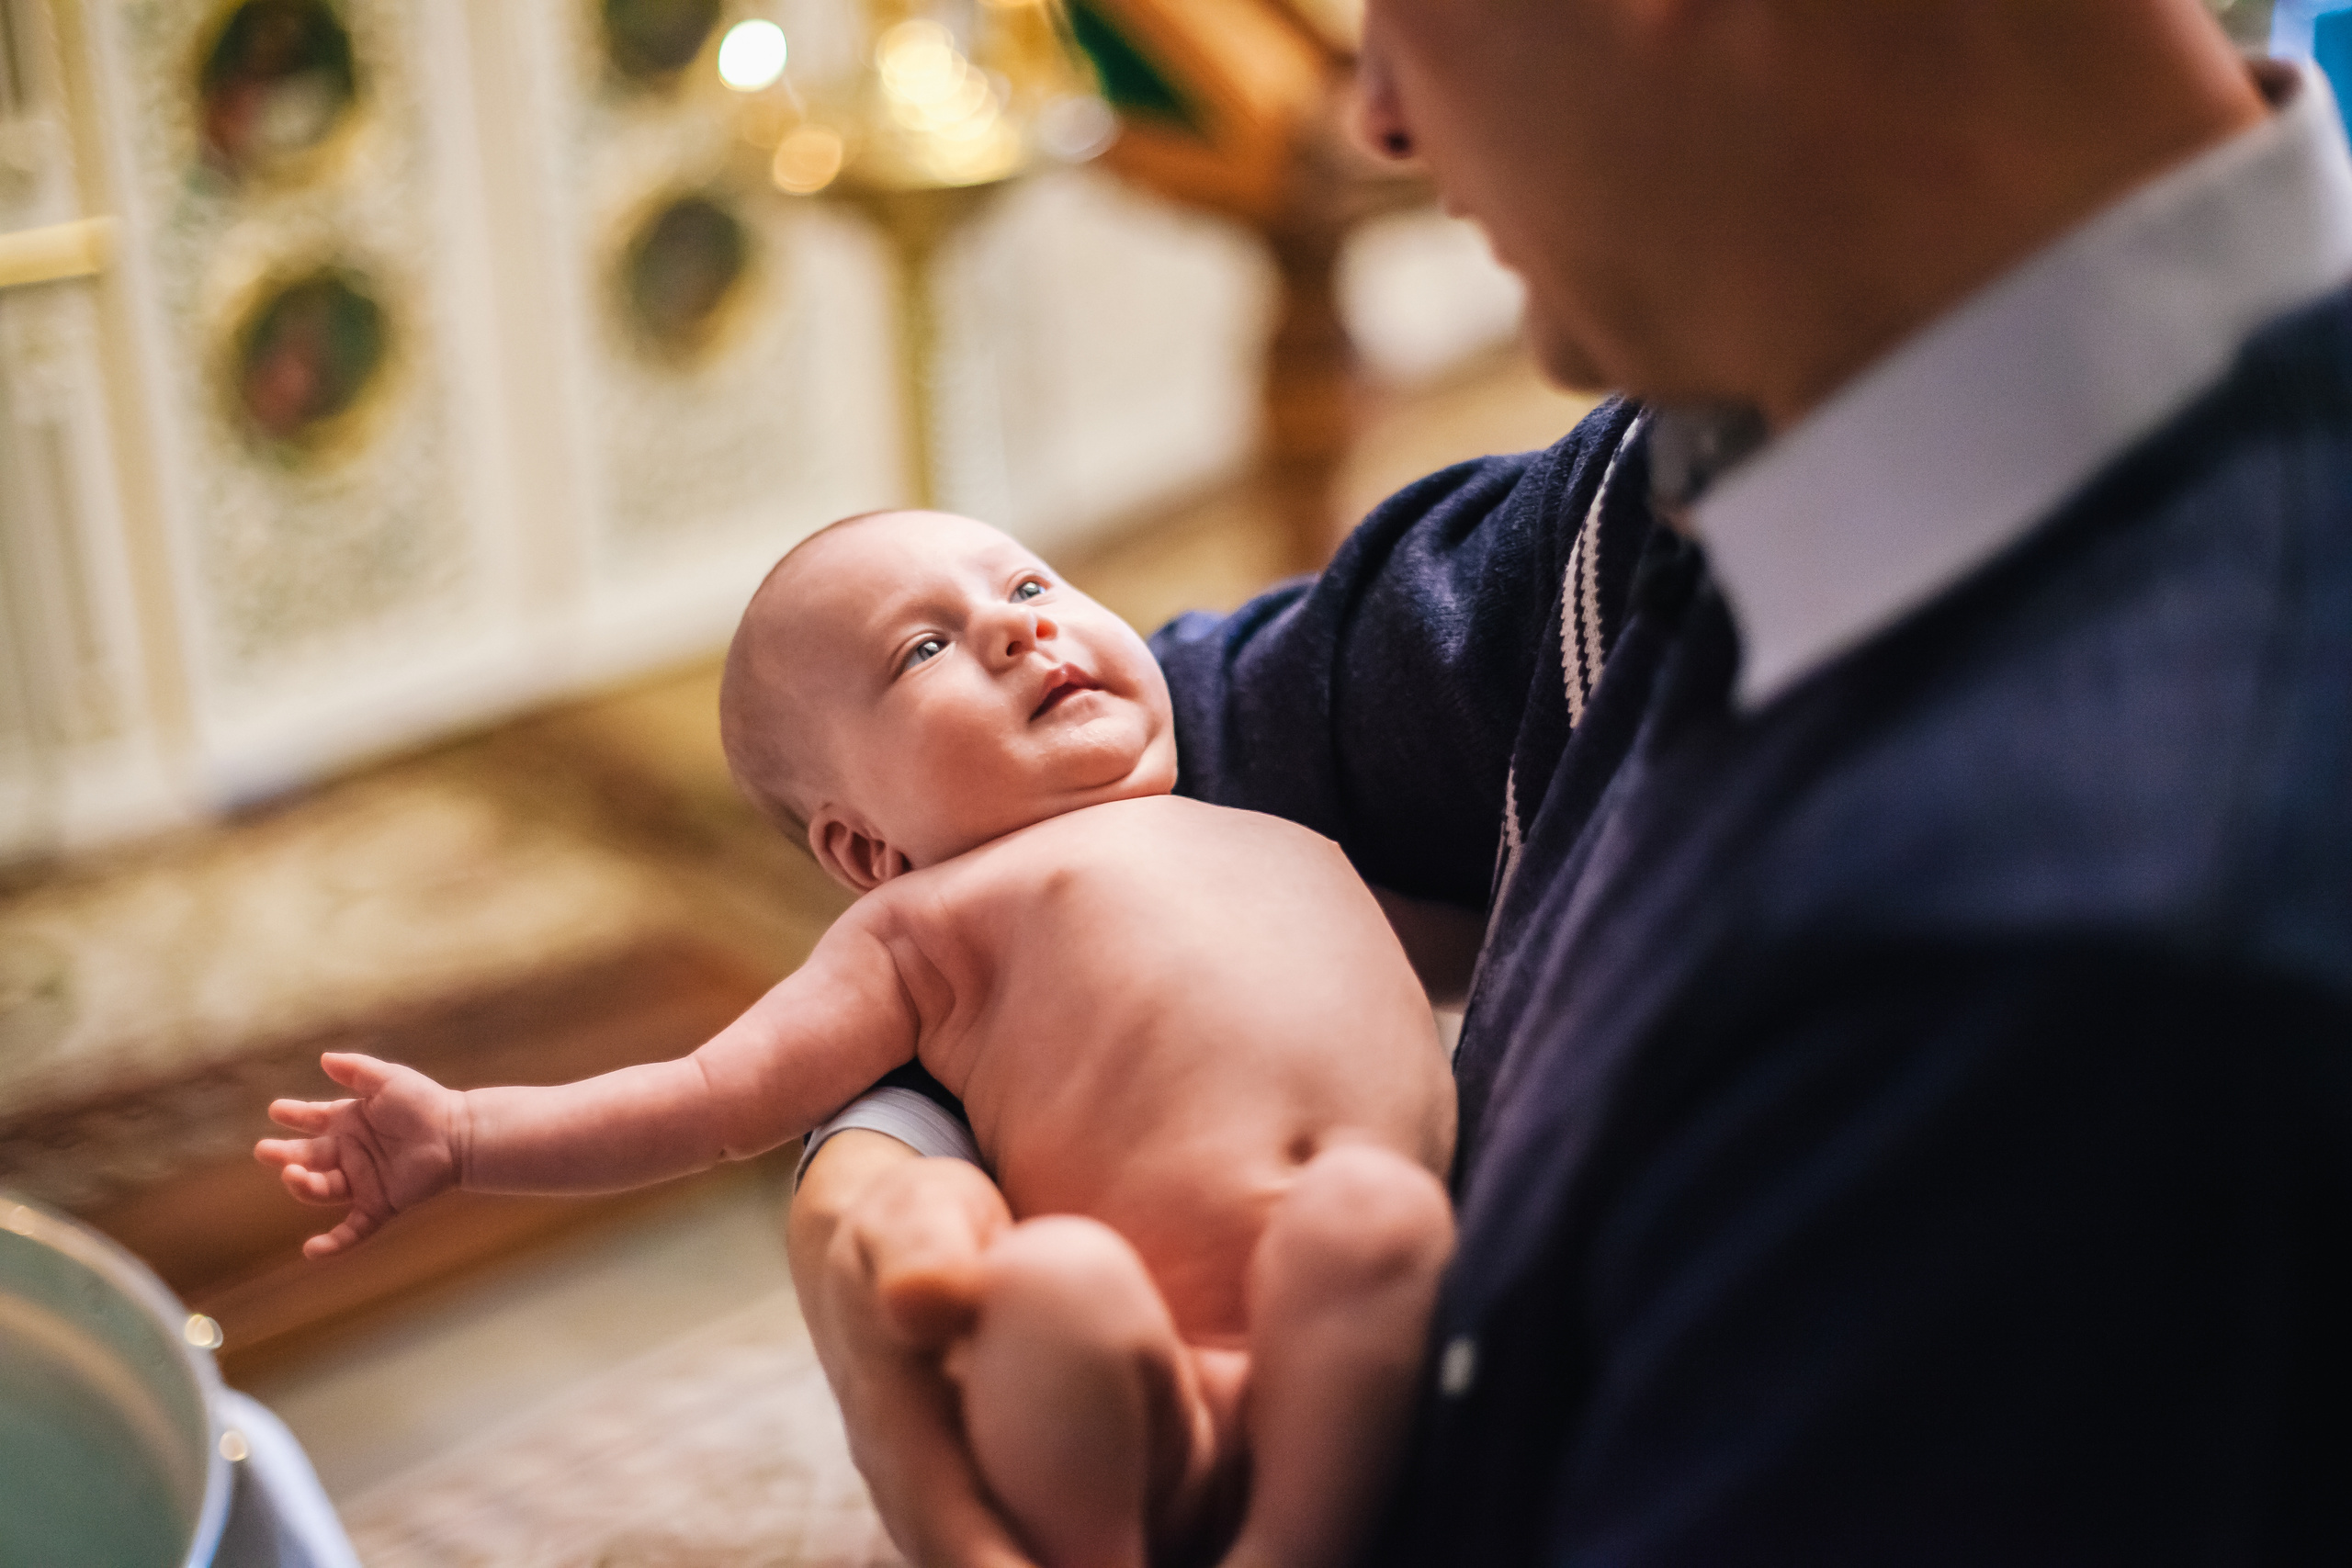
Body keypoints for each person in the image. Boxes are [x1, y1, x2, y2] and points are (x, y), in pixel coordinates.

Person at [791, 0, 2352, 1562]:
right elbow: (1046, 803)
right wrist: (879, 1184)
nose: (1383, 115)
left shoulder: (2097, 977)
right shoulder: (1721, 466)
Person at [256, 509, 1458, 1568]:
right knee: (1051, 1282)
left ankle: (1290, 1547)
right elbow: (709, 1096)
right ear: (865, 849)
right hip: (1140, 1390)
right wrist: (465, 1134)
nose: (1012, 629)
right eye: (924, 648)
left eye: (1028, 586)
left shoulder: (1275, 823)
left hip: (1356, 1337)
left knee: (1375, 1213)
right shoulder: (923, 927)